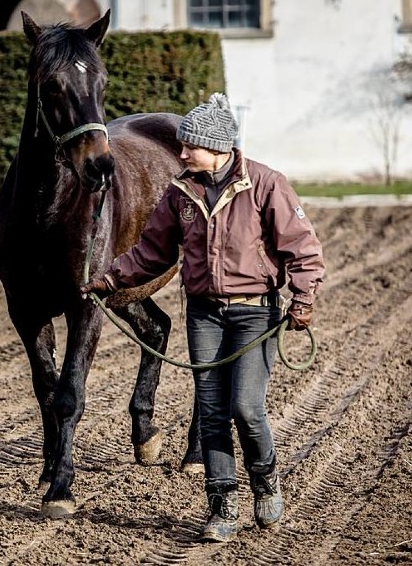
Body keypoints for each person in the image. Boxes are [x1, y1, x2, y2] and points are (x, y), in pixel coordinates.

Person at [81, 92, 325, 543]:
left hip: (256, 314)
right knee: (212, 412)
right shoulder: (181, 192)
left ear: (216, 147)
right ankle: (222, 506)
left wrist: (303, 298)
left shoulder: (267, 184)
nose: (181, 153)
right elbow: (151, 252)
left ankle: (265, 479)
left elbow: (302, 247)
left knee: (246, 408)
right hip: (205, 316)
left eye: (189, 146)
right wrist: (110, 280)